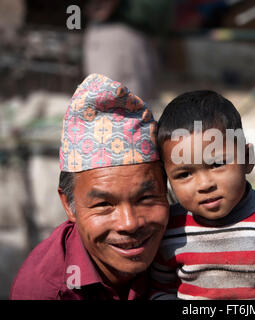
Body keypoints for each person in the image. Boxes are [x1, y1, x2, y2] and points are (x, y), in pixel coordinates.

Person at [10, 73, 170, 300]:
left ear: (166, 190)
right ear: (68, 205)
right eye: (104, 204)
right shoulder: (46, 290)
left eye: (145, 198)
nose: (130, 223)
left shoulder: (190, 240)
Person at [150, 90, 255, 300]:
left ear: (246, 158)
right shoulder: (171, 228)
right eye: (185, 174)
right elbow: (160, 291)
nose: (205, 184)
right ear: (167, 178)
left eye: (217, 164)